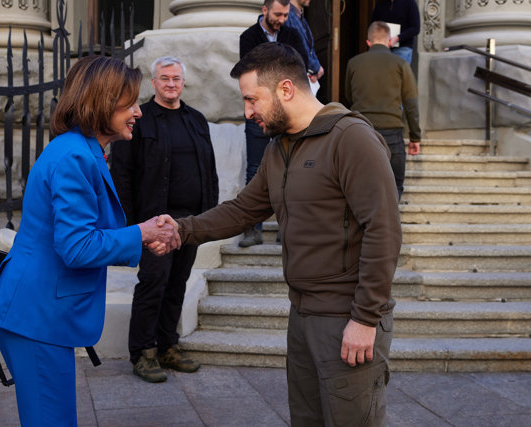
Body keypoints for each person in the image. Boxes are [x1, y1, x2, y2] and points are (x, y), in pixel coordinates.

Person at [162, 42, 402, 426]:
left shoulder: (351, 138)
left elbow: (384, 230)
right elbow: (243, 210)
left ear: (286, 89)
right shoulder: (279, 150)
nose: (247, 112)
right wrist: (182, 230)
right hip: (303, 316)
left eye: (252, 99)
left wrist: (365, 318)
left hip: (347, 317)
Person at [0, 55, 180, 426]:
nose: (138, 111)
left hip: (37, 316)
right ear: (100, 101)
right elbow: (77, 247)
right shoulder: (74, 156)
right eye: (129, 102)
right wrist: (143, 233)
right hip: (35, 319)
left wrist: (142, 232)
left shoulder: (81, 150)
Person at [111, 56, 219, 383]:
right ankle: (143, 353)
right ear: (154, 83)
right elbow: (123, 174)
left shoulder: (196, 120)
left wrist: (208, 219)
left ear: (183, 83)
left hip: (189, 224)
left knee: (176, 285)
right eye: (164, 78)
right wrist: (132, 226)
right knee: (153, 284)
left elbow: (209, 172)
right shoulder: (140, 120)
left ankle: (167, 346)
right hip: (153, 223)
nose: (171, 84)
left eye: (176, 79)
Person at [238, 0, 310, 247]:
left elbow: (300, 66)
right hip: (258, 113)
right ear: (264, 10)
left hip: (285, 112)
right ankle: (252, 230)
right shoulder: (248, 36)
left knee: (291, 167)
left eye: (286, 15)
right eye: (278, 14)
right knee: (254, 168)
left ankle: (286, 228)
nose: (282, 19)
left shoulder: (291, 33)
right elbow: (248, 72)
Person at [345, 21, 421, 199]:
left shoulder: (353, 63)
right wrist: (415, 137)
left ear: (368, 42)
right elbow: (411, 103)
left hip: (361, 131)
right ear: (389, 42)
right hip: (392, 133)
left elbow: (348, 96)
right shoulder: (401, 64)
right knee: (394, 188)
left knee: (361, 186)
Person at [285, 0, 324, 94]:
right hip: (295, 77)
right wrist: (315, 68)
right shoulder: (287, 14)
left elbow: (310, 47)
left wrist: (317, 67)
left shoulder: (300, 15)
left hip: (305, 76)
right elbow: (297, 47)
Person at [372, 0, 420, 64]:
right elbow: (374, 24)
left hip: (402, 49)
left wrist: (398, 38)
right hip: (382, 48)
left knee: (398, 74)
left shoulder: (410, 2)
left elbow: (416, 28)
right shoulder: (380, 4)